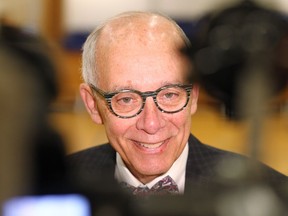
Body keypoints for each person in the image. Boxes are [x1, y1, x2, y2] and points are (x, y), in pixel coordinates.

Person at [67, 11, 287, 196]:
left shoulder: (273, 195)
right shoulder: (54, 189)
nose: (151, 124)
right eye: (126, 99)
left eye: (169, 95)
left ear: (194, 96)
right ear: (93, 105)